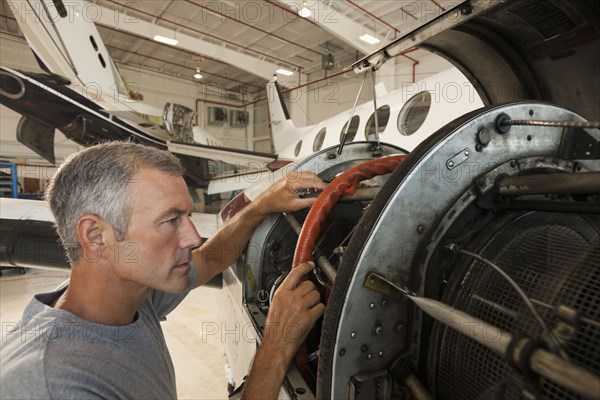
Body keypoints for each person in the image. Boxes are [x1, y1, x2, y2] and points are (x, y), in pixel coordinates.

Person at [0, 142, 327, 399]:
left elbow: (211, 258)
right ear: (95, 236)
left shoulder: (128, 296)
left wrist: (263, 204)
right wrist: (277, 344)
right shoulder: (55, 385)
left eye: (187, 216)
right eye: (171, 221)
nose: (193, 236)